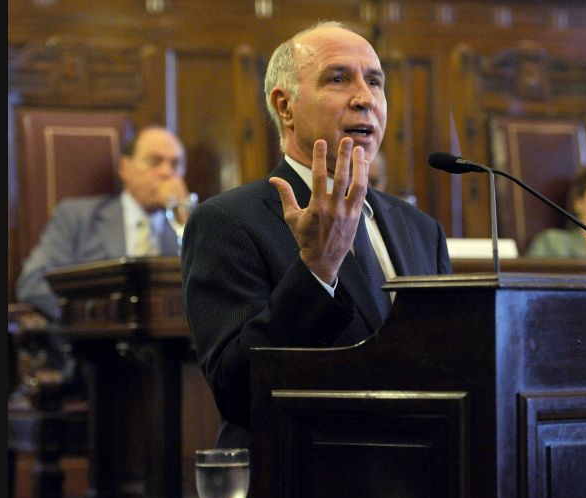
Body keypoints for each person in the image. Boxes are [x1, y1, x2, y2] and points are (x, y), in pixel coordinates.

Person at [180, 21, 452, 449]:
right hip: (303, 468)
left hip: (418, 467)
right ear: (285, 106)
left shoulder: (421, 229)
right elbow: (237, 391)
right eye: (338, 79)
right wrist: (317, 270)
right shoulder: (228, 221)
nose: (365, 98)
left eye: (375, 82)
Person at [13, 126, 192, 391]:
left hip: (174, 365)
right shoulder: (77, 217)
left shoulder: (189, 225)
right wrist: (93, 316)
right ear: (125, 168)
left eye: (176, 164)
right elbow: (33, 283)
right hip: (90, 362)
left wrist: (186, 222)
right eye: (155, 161)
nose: (168, 172)